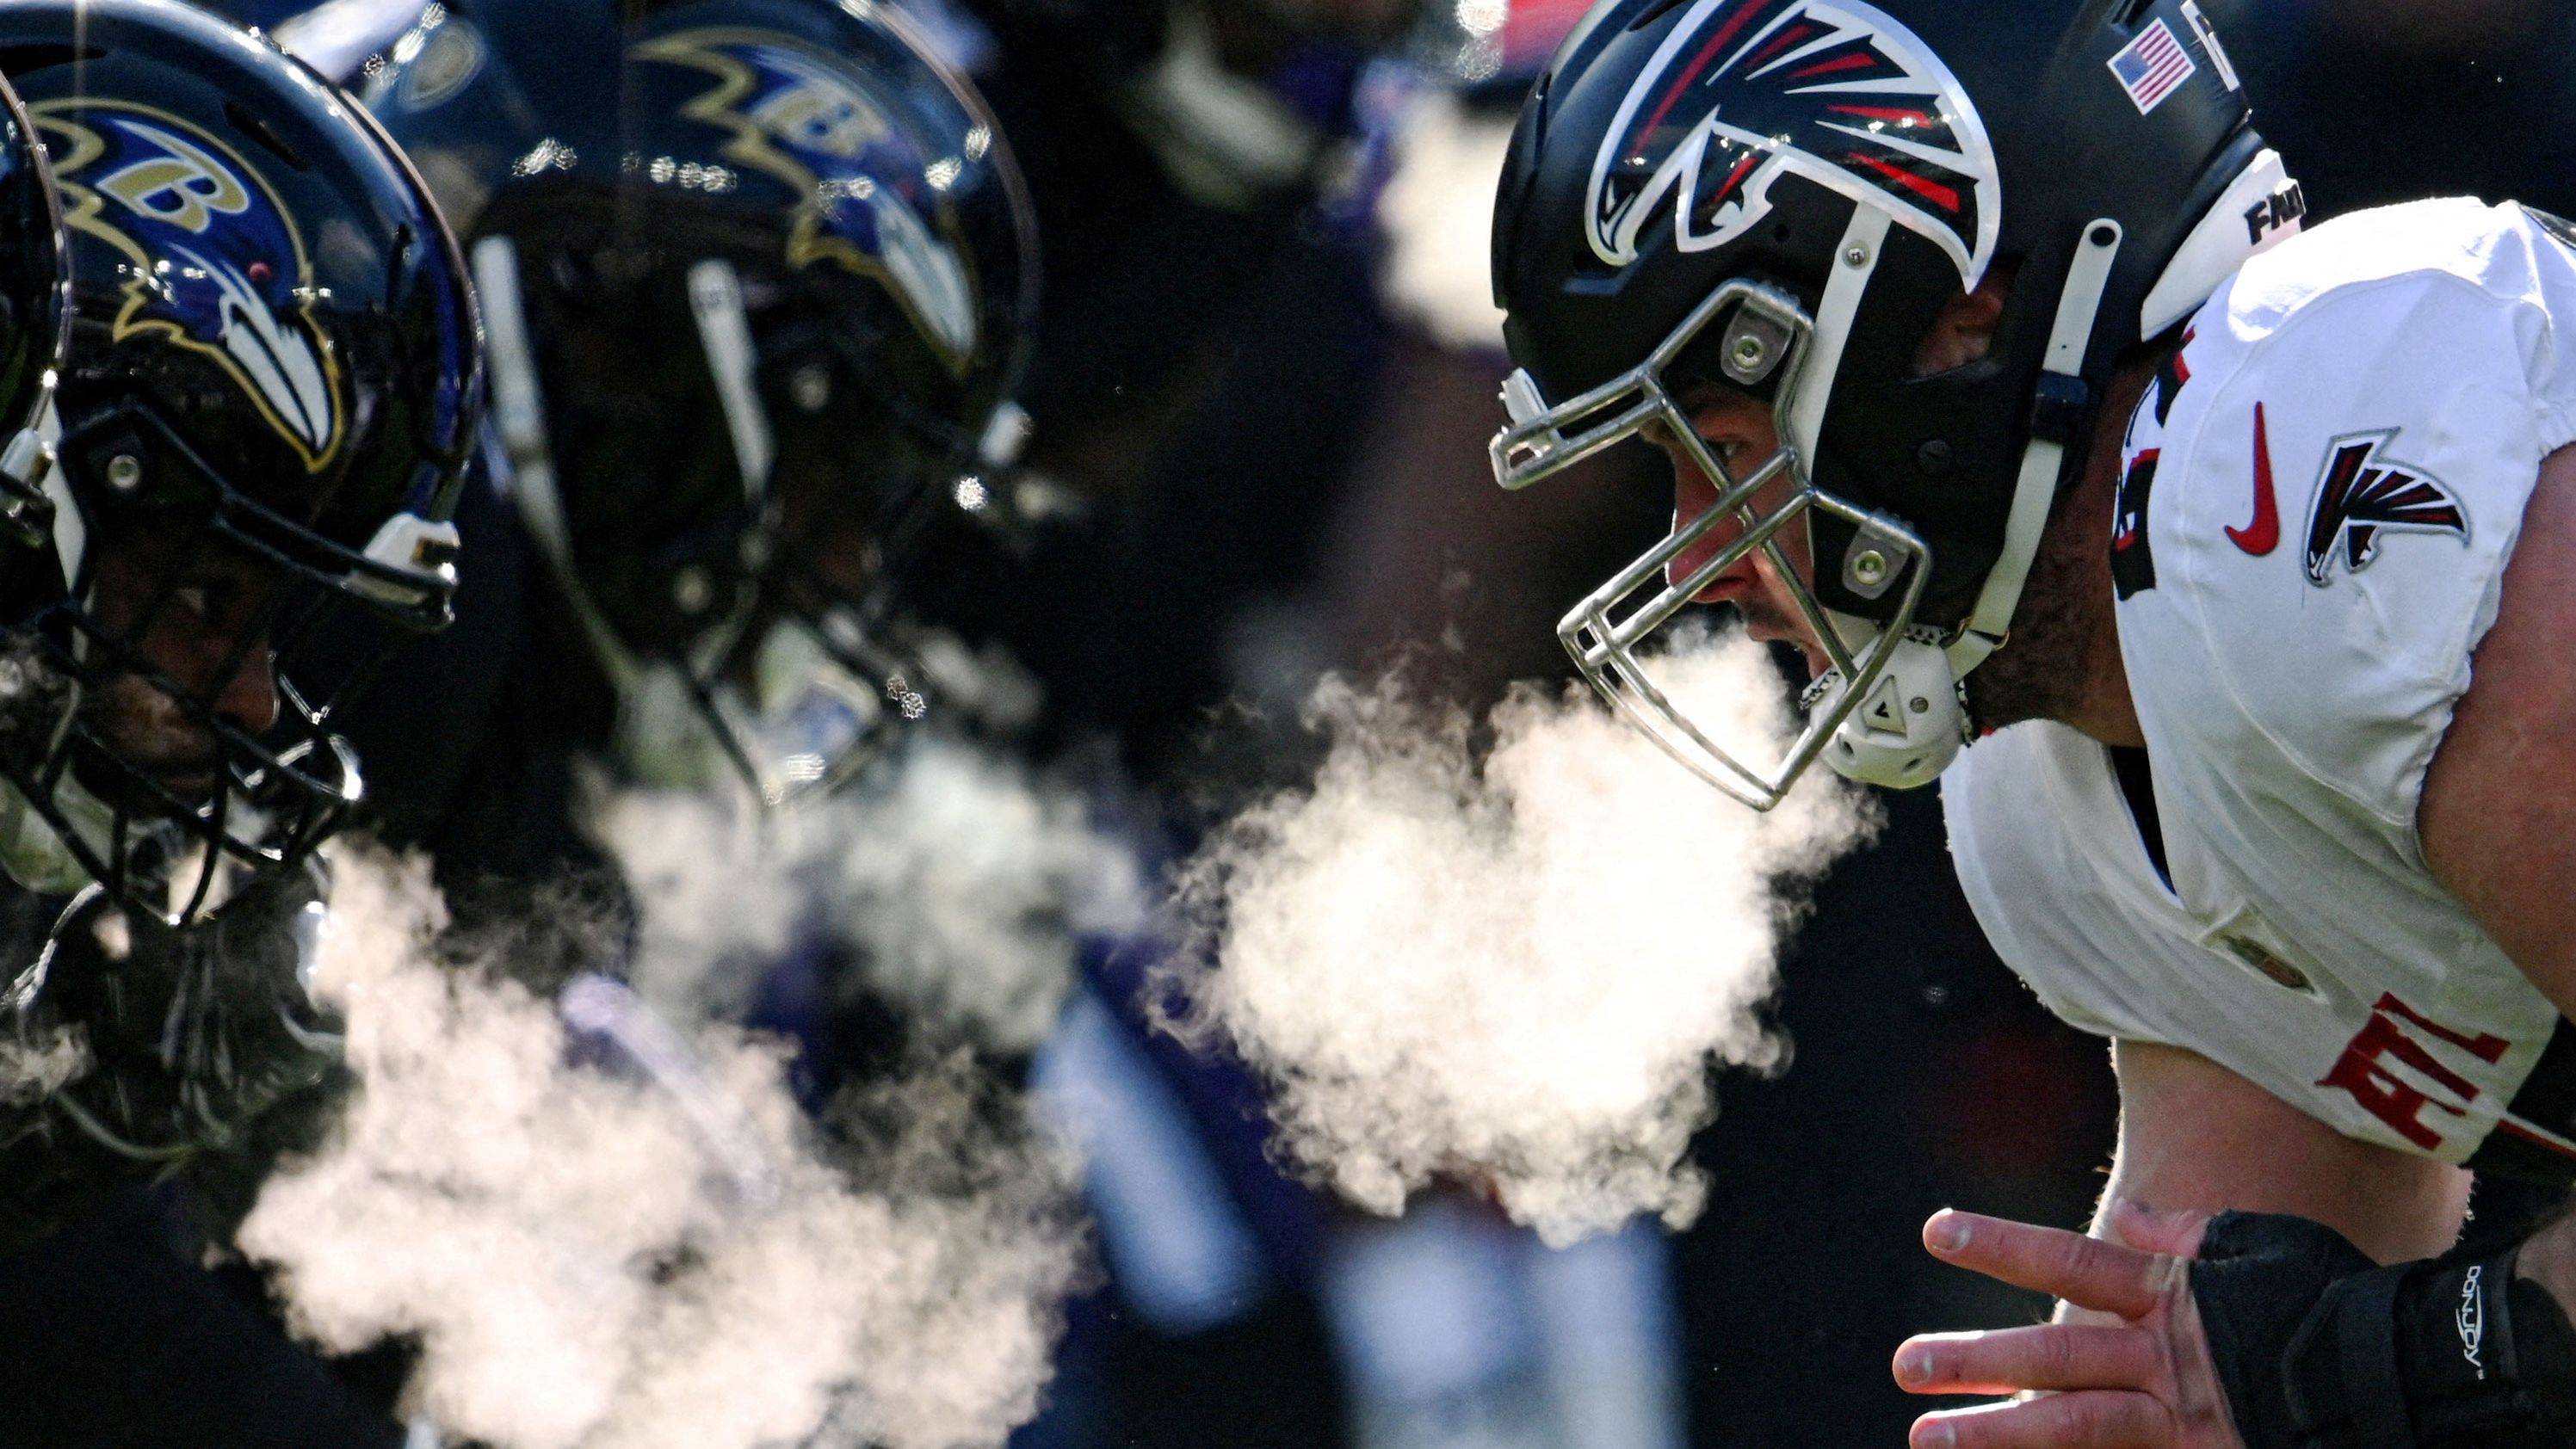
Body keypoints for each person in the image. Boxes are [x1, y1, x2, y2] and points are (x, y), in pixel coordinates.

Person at [1486, 3, 2576, 1447]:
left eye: (1725, 448)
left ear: (1956, 319)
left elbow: (2333, 1369)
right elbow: (2196, 1374)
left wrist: (2403, 1369)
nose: (1694, 558)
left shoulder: (2304, 466)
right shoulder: (2047, 789)